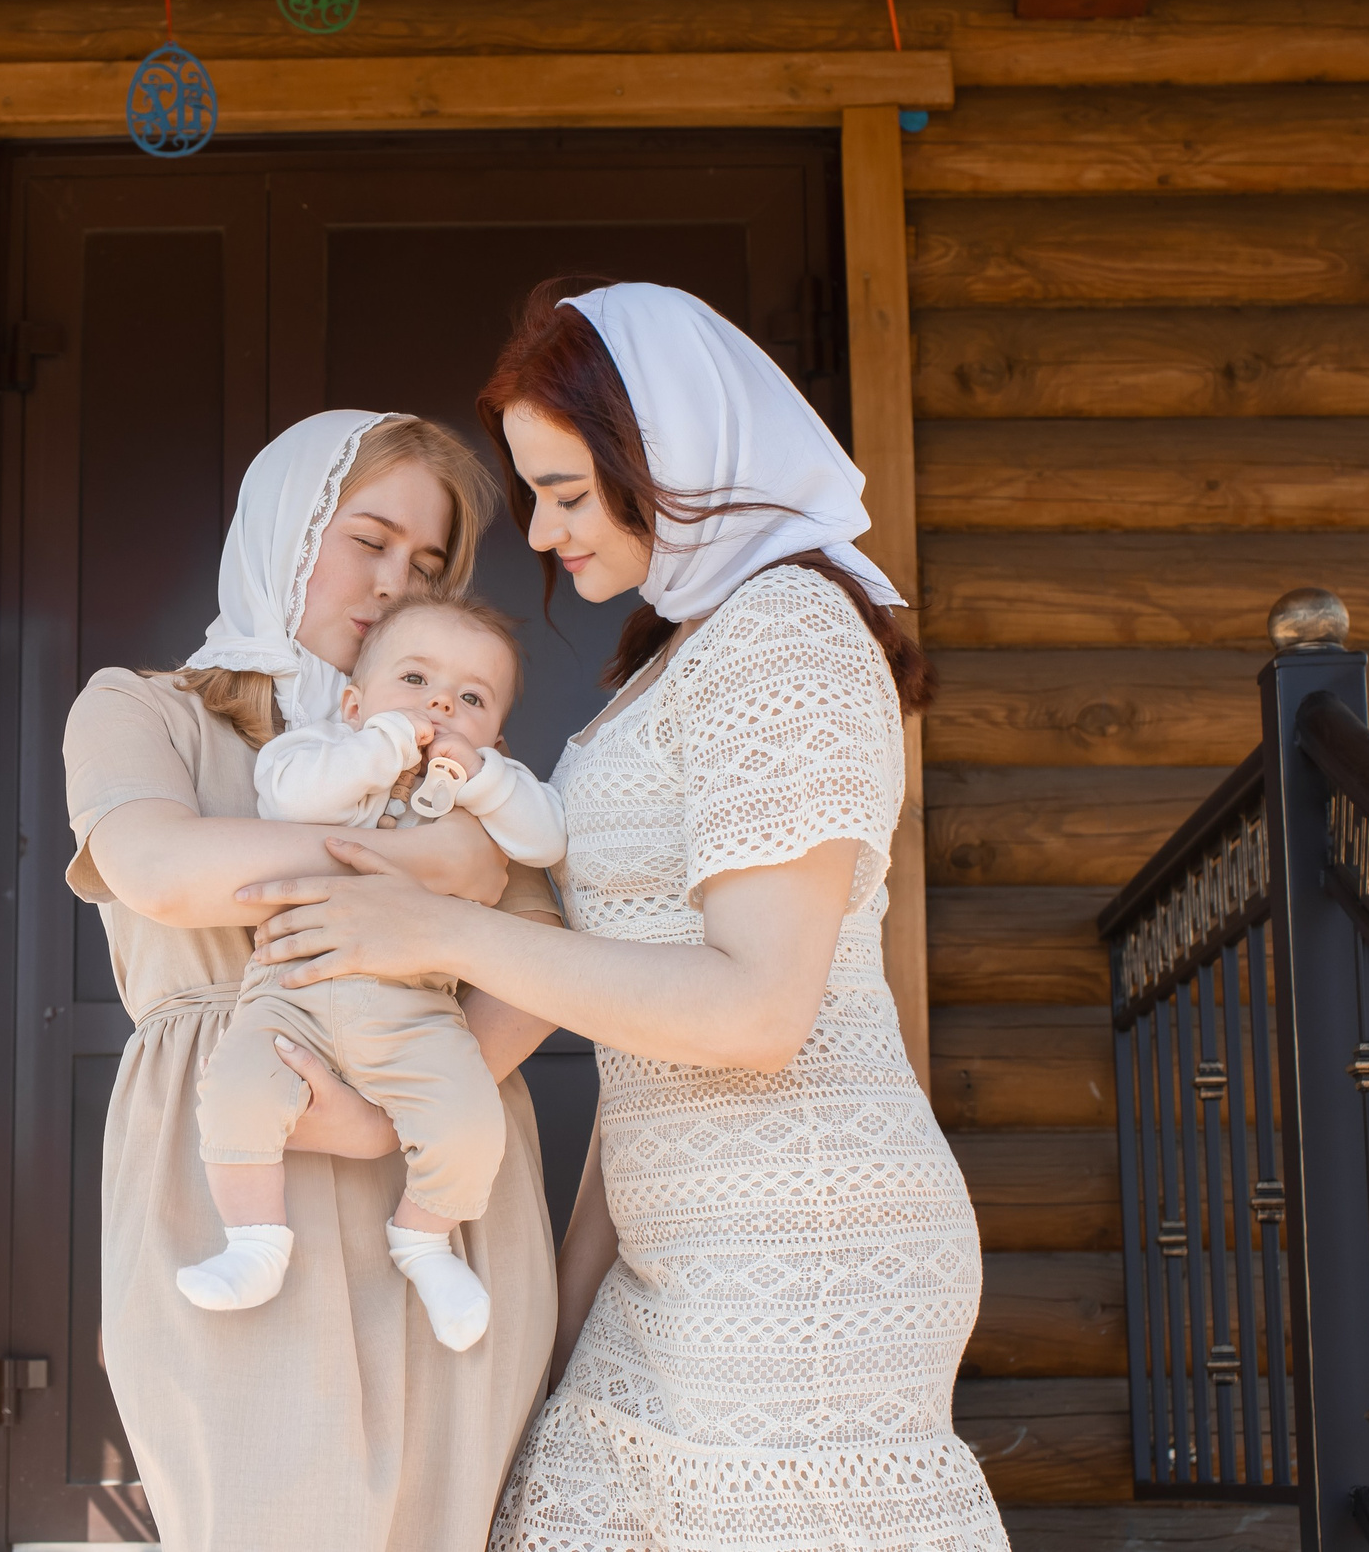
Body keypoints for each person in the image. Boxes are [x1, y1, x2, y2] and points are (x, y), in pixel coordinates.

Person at [239, 285, 1010, 1551]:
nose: (539, 533)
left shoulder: (789, 634)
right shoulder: (680, 650)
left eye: (568, 491)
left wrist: (436, 933)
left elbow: (757, 1011)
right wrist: (570, 1297)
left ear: (676, 461)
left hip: (801, 1244)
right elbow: (632, 1012)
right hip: (674, 1233)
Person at [63, 410, 562, 1552]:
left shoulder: (464, 764)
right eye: (369, 540)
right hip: (233, 1170)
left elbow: (537, 965)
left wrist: (386, 1120)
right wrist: (430, 869)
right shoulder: (145, 709)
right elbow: (163, 869)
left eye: (427, 566)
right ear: (287, 532)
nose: (393, 585)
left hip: (437, 1166)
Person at [182, 595, 566, 1353]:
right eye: (415, 679)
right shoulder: (319, 750)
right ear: (354, 700)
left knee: (467, 1124)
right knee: (235, 1089)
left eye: (471, 699)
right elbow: (286, 797)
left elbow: (547, 836)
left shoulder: (481, 793)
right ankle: (255, 1242)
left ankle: (424, 1241)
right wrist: (380, 747)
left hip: (417, 1009)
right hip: (291, 991)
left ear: (497, 733)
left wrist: (486, 778)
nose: (439, 704)